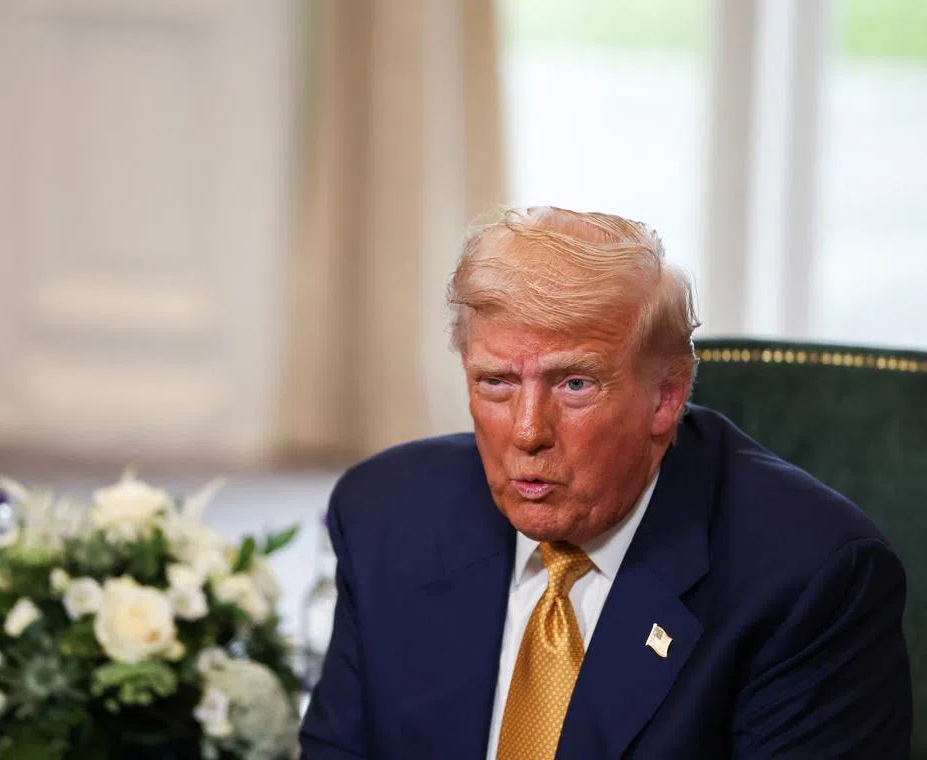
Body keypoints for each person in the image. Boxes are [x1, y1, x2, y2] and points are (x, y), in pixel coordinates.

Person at [298, 207, 912, 759]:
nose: (528, 432)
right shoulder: (386, 515)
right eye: (497, 383)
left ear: (666, 397)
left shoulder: (810, 577)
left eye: (574, 384)